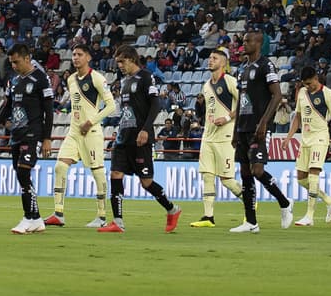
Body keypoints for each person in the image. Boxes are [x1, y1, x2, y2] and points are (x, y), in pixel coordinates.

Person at [98, 45, 181, 234]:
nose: (119, 65)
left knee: (146, 182)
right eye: (117, 61)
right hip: (123, 137)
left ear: (132, 59)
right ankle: (118, 221)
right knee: (115, 175)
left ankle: (172, 209)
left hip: (140, 138)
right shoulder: (125, 80)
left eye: (122, 61)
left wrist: (145, 130)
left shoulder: (145, 77)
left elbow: (156, 104)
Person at [0, 44, 54, 234]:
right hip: (17, 134)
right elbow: (7, 106)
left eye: (17, 62)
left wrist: (47, 138)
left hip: (33, 134)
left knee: (24, 172)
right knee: (22, 177)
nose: (13, 65)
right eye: (11, 62)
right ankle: (36, 219)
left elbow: (49, 110)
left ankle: (28, 217)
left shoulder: (41, 78)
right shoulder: (13, 81)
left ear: (27, 58)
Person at [44, 43, 116, 228]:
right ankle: (58, 213)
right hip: (74, 132)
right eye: (74, 54)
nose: (75, 57)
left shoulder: (97, 79)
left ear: (88, 57)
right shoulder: (71, 79)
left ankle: (101, 216)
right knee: (60, 166)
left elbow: (111, 106)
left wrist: (90, 121)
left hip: (91, 132)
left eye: (80, 54)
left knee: (97, 172)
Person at [229, 30, 292, 233]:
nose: (243, 44)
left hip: (259, 127)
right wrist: (235, 129)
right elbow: (241, 101)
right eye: (243, 41)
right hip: (244, 127)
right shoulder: (242, 68)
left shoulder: (266, 65)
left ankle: (284, 202)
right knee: (246, 173)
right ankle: (251, 222)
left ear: (258, 43)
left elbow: (277, 95)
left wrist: (265, 122)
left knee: (258, 171)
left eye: (248, 41)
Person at [189, 47, 244, 227]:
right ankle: (208, 217)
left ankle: (249, 201)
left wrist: (227, 118)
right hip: (208, 136)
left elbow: (245, 103)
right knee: (207, 176)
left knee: (227, 180)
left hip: (225, 136)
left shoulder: (230, 81)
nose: (210, 61)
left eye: (214, 58)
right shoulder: (206, 86)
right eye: (209, 58)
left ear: (223, 62)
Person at [285, 64, 331, 226]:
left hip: (320, 137)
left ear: (316, 79)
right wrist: (289, 137)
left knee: (313, 175)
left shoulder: (328, 93)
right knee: (301, 179)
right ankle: (329, 201)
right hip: (305, 139)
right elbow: (297, 117)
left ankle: (309, 216)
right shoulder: (302, 93)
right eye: (305, 84)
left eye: (310, 83)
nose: (308, 87)